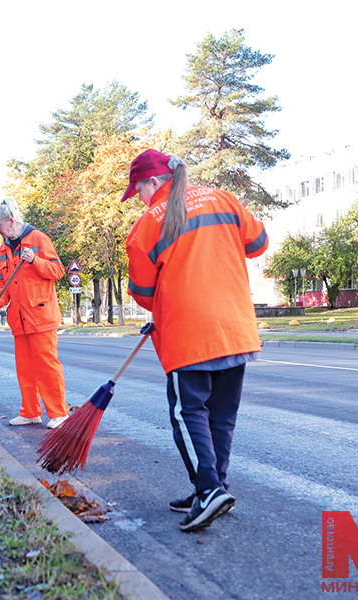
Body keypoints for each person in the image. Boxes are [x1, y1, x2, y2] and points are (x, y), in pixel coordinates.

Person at [122, 149, 268, 532]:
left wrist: (171, 300)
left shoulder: (146, 225)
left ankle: (208, 491)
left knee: (187, 414)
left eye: (137, 189)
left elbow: (142, 292)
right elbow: (258, 244)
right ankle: (215, 486)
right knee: (221, 417)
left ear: (153, 183)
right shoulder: (223, 199)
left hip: (188, 334)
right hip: (236, 327)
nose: (138, 197)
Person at [0, 198, 69, 429]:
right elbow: (2, 284)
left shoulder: (38, 239)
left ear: (10, 222)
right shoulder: (3, 249)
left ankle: (59, 413)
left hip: (41, 316)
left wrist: (35, 261)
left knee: (46, 366)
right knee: (25, 369)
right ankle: (30, 412)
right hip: (19, 319)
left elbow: (58, 270)